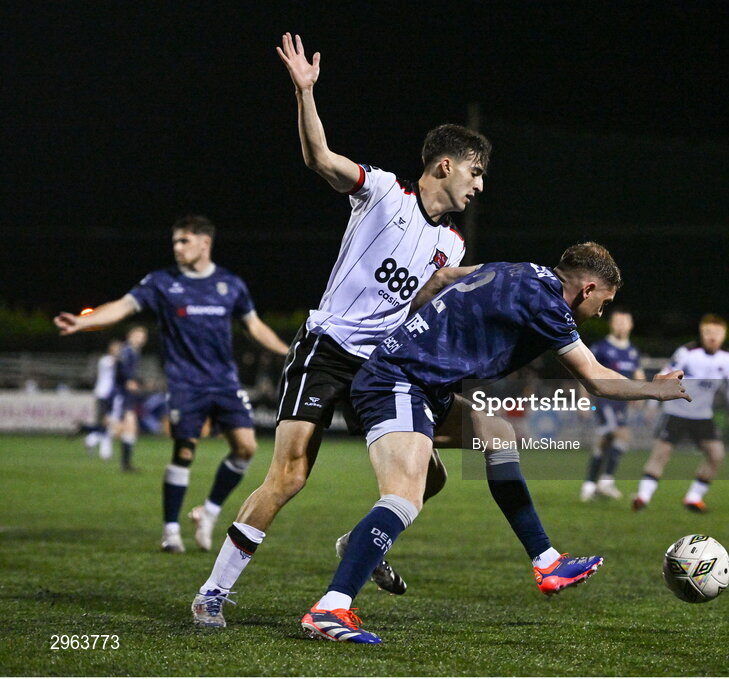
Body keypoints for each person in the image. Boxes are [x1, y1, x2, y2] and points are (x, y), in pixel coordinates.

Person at [189, 32, 493, 628]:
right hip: (327, 351)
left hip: (383, 368)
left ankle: (359, 539)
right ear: (445, 165)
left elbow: (424, 293)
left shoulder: (450, 240)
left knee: (430, 473)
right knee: (290, 474)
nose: (479, 186)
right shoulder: (381, 191)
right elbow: (320, 158)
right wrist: (305, 93)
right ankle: (213, 591)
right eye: (476, 173)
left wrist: (473, 283)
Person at [297, 243, 690, 643]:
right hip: (398, 382)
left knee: (495, 434)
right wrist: (653, 391)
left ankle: (547, 562)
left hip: (423, 383)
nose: (601, 313)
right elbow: (595, 377)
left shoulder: (520, 269)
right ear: (587, 289)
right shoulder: (550, 306)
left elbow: (442, 277)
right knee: (405, 496)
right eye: (603, 303)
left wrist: (413, 333)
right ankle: (330, 607)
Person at [53, 215, 290, 552]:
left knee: (246, 449)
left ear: (204, 243)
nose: (177, 247)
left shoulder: (230, 284)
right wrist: (82, 321)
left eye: (184, 241)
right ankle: (170, 529)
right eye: (175, 241)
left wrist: (288, 351)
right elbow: (122, 306)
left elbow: (255, 326)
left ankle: (208, 512)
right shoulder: (162, 282)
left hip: (225, 382)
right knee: (184, 452)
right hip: (185, 384)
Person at [632, 313, 729, 513]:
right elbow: (665, 375)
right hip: (676, 411)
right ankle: (642, 497)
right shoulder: (687, 352)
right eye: (708, 332)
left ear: (724, 335)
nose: (712, 336)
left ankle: (693, 497)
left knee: (716, 455)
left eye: (717, 333)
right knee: (661, 454)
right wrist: (652, 406)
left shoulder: (727, 359)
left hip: (702, 415)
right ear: (701, 333)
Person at [580, 307, 644, 501]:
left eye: (625, 322)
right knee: (623, 435)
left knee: (603, 443)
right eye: (618, 321)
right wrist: (583, 399)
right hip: (603, 400)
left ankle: (589, 486)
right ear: (611, 324)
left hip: (621, 404)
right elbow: (585, 371)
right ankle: (605, 481)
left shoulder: (632, 352)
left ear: (631, 325)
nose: (621, 325)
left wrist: (640, 395)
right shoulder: (601, 347)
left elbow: (638, 375)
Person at [113, 326, 149, 472]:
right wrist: (128, 380)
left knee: (130, 427)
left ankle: (126, 464)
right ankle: (92, 435)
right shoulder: (127, 350)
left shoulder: (134, 351)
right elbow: (122, 369)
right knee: (125, 426)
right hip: (122, 392)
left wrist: (138, 381)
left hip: (127, 392)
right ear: (130, 335)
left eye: (143, 336)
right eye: (139, 335)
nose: (141, 338)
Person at [82, 338, 122, 461]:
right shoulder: (105, 360)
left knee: (109, 422)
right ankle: (102, 449)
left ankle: (92, 440)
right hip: (103, 394)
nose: (119, 350)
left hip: (112, 395)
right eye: (117, 348)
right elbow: (116, 364)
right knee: (107, 422)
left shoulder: (114, 361)